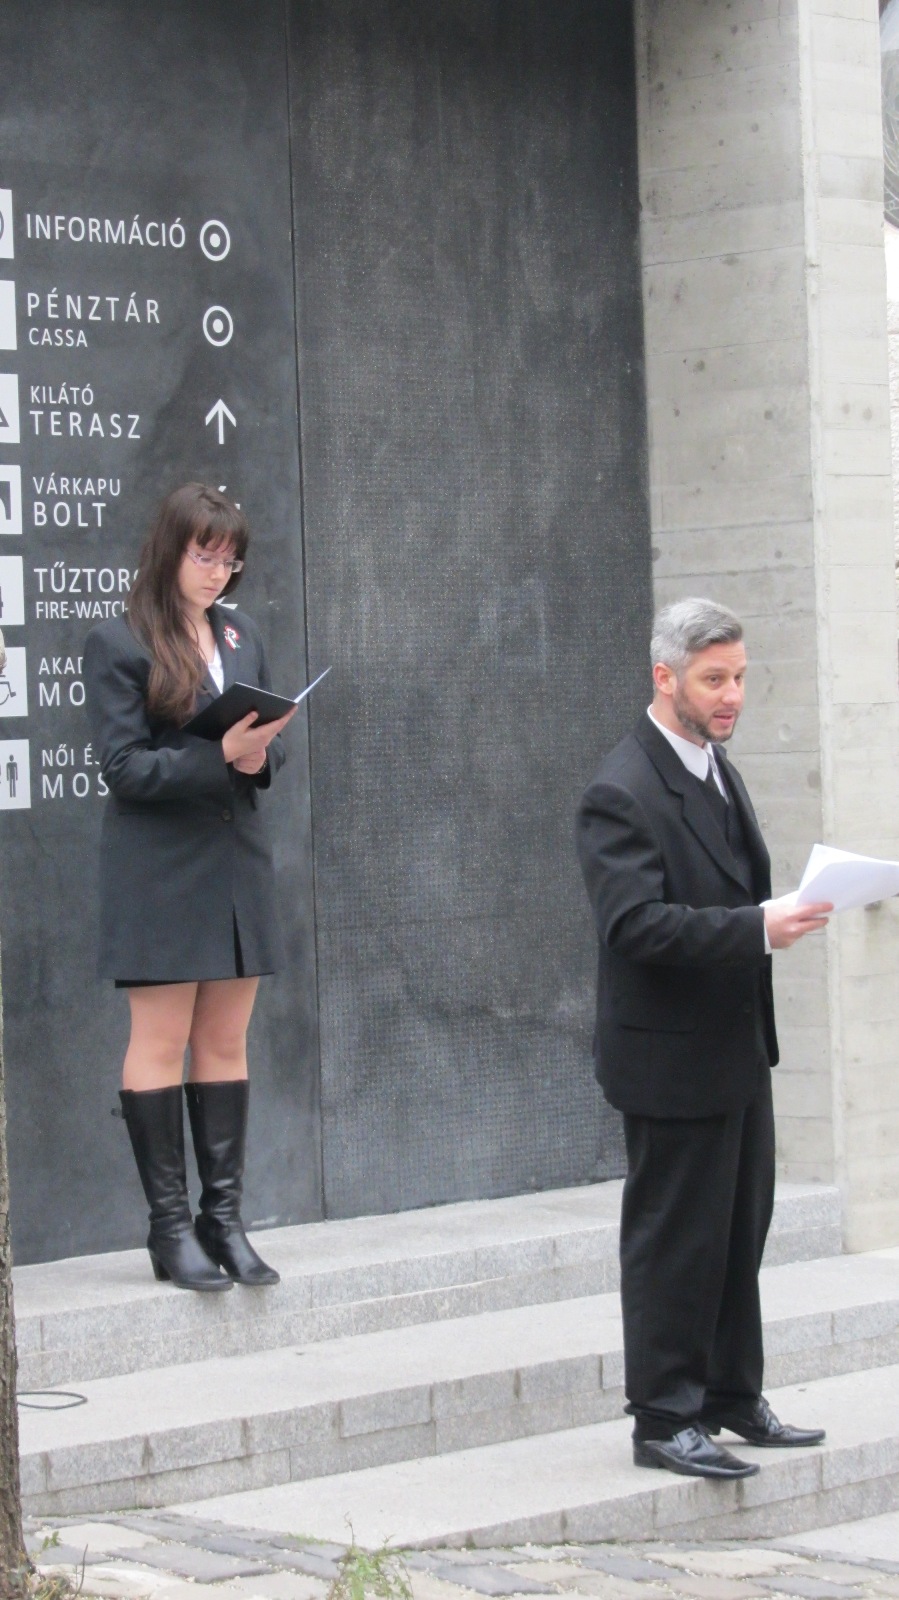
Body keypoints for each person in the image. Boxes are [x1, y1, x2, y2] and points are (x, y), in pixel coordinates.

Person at [576, 597, 832, 1479]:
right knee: (674, 1239)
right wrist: (758, 927)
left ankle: (728, 1396)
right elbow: (632, 925)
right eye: (713, 679)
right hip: (667, 1057)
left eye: (739, 678)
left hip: (733, 1047)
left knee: (736, 1231)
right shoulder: (621, 788)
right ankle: (661, 1418)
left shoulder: (715, 766)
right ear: (665, 677)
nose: (731, 696)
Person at [84, 483, 295, 1293]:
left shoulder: (241, 633)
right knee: (160, 1039)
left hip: (235, 858)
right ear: (170, 548)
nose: (217, 572)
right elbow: (125, 768)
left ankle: (223, 1220)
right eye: (204, 555)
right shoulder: (119, 640)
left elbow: (265, 745)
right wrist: (221, 756)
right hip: (159, 869)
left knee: (225, 1040)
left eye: (229, 559)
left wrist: (260, 754)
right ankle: (169, 1227)